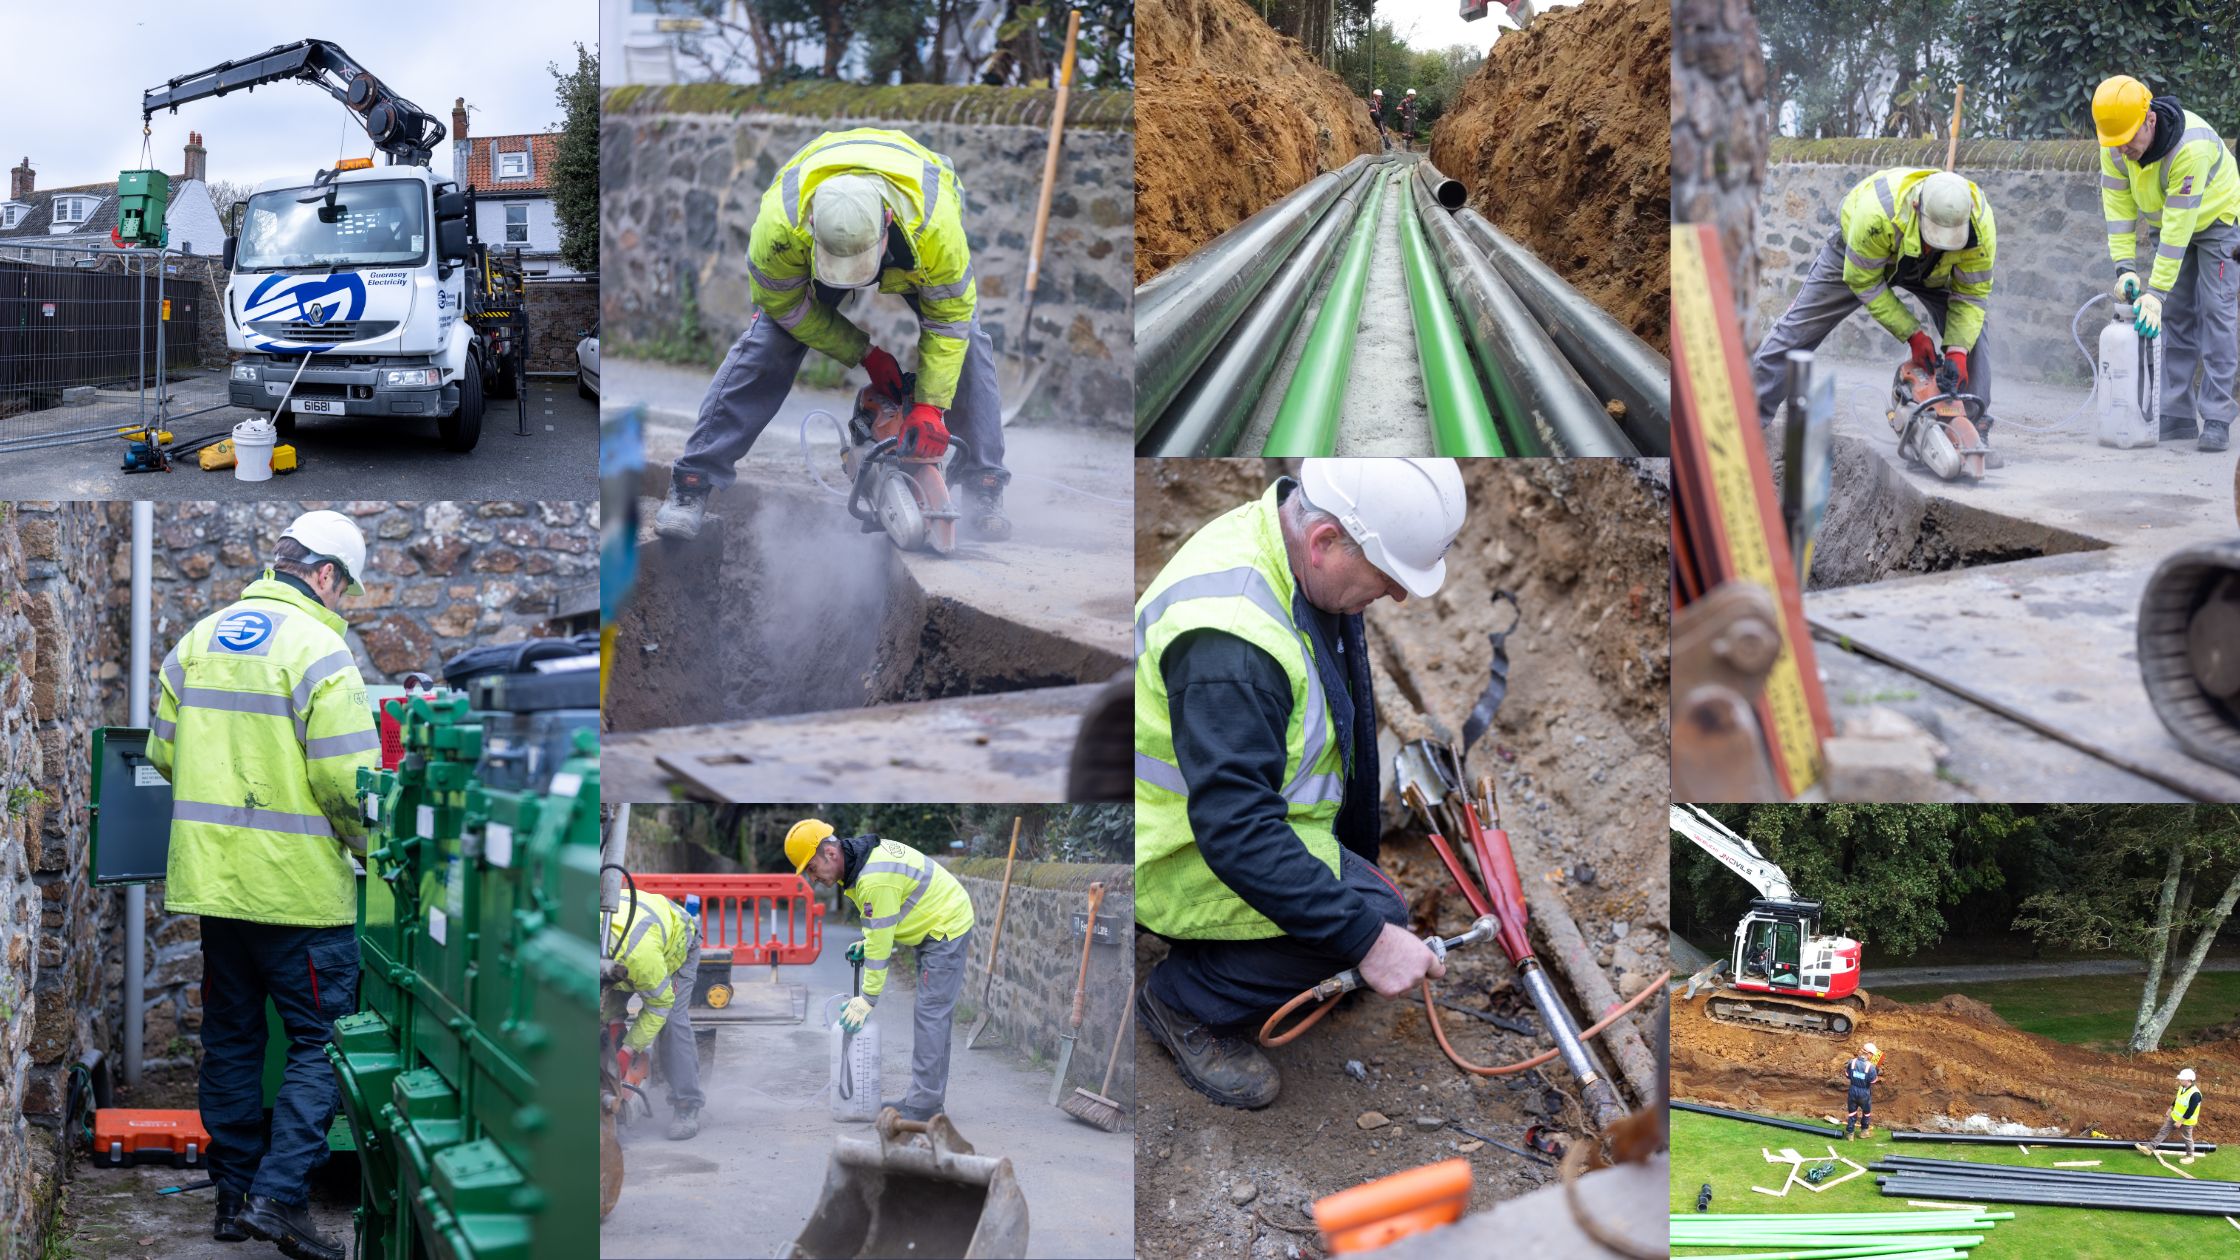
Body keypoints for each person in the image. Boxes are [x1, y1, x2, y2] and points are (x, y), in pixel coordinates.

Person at [1134, 459, 1469, 1109]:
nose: (1397, 597)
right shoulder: (1233, 643)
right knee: (1373, 924)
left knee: (1375, 914)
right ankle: (1181, 1002)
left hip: (1235, 824)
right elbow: (1237, 832)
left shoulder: (1291, 551)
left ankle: (1277, 959)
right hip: (1176, 856)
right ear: (1324, 543)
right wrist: (1365, 943)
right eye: (1388, 577)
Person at [148, 510, 382, 1260]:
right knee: (320, 1044)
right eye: (343, 587)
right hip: (301, 897)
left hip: (215, 889)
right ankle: (281, 1200)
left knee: (232, 1041)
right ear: (323, 575)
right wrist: (370, 852)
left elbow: (162, 754)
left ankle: (232, 1199)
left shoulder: (196, 640)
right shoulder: (322, 649)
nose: (342, 601)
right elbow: (348, 783)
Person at [655, 126, 1011, 541]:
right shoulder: (780, 230)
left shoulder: (936, 230)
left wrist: (931, 407)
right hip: (819, 231)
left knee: (967, 342)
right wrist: (865, 353)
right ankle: (693, 481)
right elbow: (785, 307)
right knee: (768, 343)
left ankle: (985, 484)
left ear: (888, 223)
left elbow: (949, 320)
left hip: (916, 233)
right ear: (809, 223)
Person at [1750, 168, 1996, 432]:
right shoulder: (1876, 214)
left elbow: (1971, 296)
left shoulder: (1980, 226)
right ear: (1916, 208)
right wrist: (1913, 334)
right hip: (1860, 256)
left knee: (1973, 334)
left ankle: (1969, 423)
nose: (1937, 245)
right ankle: (1749, 416)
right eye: (1934, 238)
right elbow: (1864, 281)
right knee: (1800, 327)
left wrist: (1958, 351)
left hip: (1934, 270)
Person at [788, 819, 976, 1120]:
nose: (812, 878)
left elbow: (880, 941)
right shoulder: (861, 866)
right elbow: (881, 926)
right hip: (933, 925)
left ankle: (924, 1105)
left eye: (811, 868)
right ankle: (926, 1098)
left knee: (931, 1016)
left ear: (830, 853)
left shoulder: (873, 877)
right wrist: (870, 939)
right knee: (933, 1016)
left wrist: (867, 999)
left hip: (944, 929)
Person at [2093, 75, 2240, 452]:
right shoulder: (2114, 144)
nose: (2123, 148)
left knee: (2217, 312)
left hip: (2217, 220)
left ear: (2151, 120)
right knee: (2173, 315)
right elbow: (2119, 208)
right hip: (2168, 221)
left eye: (2129, 137)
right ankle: (2176, 413)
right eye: (2116, 140)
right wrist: (2124, 267)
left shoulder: (2189, 148)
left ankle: (2218, 416)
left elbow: (2180, 227)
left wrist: (2155, 290)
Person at [603, 887, 706, 1140]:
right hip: (631, 943)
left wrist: (628, 1051)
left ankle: (687, 1104)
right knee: (603, 1013)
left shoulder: (641, 959)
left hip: (677, 944)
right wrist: (614, 1024)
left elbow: (660, 1005)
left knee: (671, 1021)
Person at [2138, 1067, 2204, 1158]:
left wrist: (2180, 1121)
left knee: (2187, 1138)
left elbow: (2191, 1110)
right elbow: (2178, 1099)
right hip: (2174, 1116)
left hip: (2186, 1121)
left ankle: (2190, 1156)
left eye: (2182, 1078)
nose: (2180, 1080)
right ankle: (2149, 1148)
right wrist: (2171, 1108)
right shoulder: (2182, 1087)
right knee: (2163, 1131)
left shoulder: (2195, 1094)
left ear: (2189, 1080)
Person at [1842, 1042, 1881, 1139]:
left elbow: (1847, 1075)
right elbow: (1873, 1081)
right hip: (1864, 1092)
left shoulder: (1852, 1062)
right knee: (1866, 1112)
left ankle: (1850, 1134)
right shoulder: (1871, 1067)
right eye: (1872, 1055)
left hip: (1853, 1090)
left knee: (1852, 1113)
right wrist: (1876, 1071)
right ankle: (1864, 1132)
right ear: (1869, 1054)